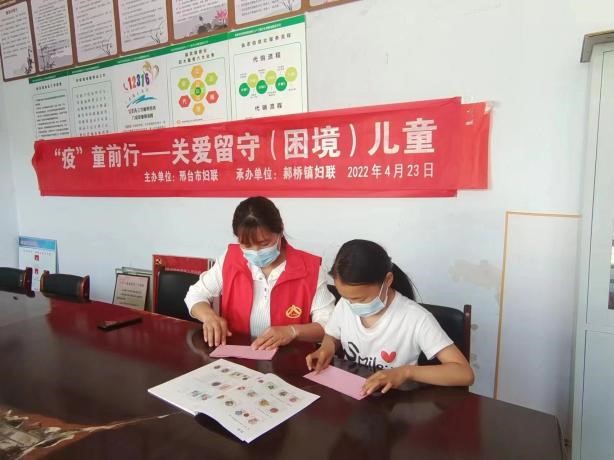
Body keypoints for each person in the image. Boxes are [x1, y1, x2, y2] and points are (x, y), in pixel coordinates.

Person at [306, 239, 474, 394]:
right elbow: (332, 334)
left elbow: (464, 374)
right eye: (346, 297)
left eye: (360, 299)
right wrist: (326, 348)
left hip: (395, 403)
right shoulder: (345, 304)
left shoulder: (416, 318)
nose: (352, 304)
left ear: (387, 280)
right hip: (357, 394)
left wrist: (406, 372)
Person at [185, 196, 335, 350]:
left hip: (288, 358)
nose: (256, 252)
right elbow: (195, 294)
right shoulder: (231, 259)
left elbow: (329, 326)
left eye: (264, 244)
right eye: (246, 245)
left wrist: (292, 331)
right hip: (237, 354)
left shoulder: (309, 268)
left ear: (280, 230)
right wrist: (209, 317)